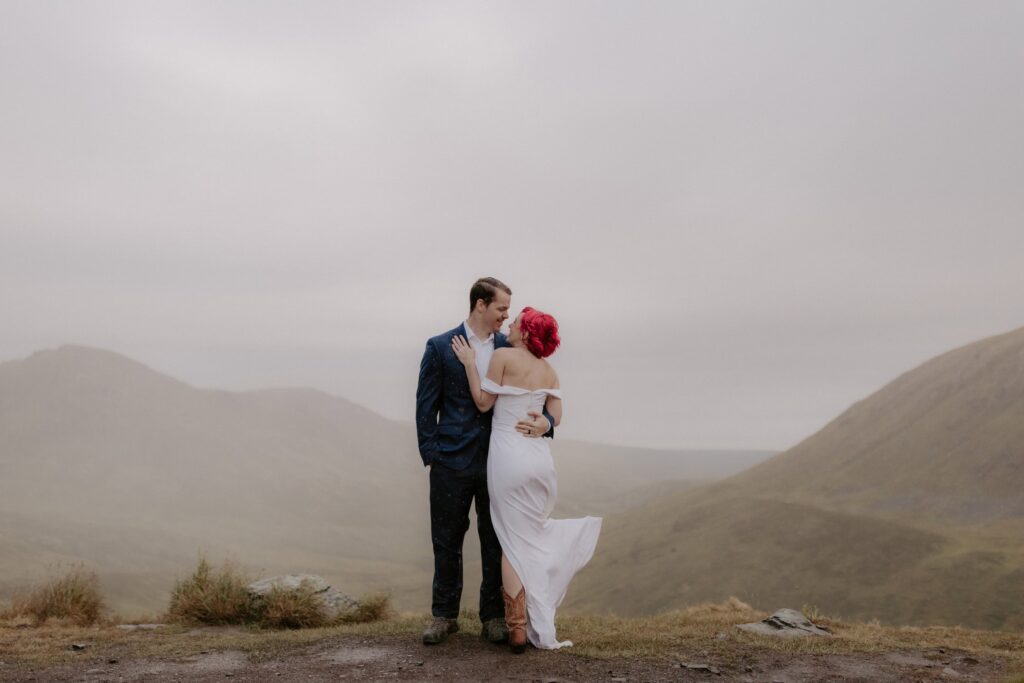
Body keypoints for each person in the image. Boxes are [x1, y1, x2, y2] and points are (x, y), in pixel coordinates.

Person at [451, 306, 602, 653]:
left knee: (513, 542)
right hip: (539, 461)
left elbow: (483, 402)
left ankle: (517, 628)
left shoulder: (503, 356)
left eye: (517, 322)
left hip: (508, 458)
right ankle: (528, 618)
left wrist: (470, 362)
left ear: (527, 333)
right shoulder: (550, 371)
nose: (511, 325)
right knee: (530, 534)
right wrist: (543, 424)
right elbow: (557, 417)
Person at [415, 278, 555, 646]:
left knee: (495, 540)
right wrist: (432, 455)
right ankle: (444, 616)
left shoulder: (508, 345)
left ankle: (492, 616)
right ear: (480, 305)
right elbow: (426, 405)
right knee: (446, 540)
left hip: (498, 462)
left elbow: (538, 392)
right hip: (449, 461)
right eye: (501, 309)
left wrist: (548, 423)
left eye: (508, 311)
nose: (506, 316)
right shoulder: (440, 346)